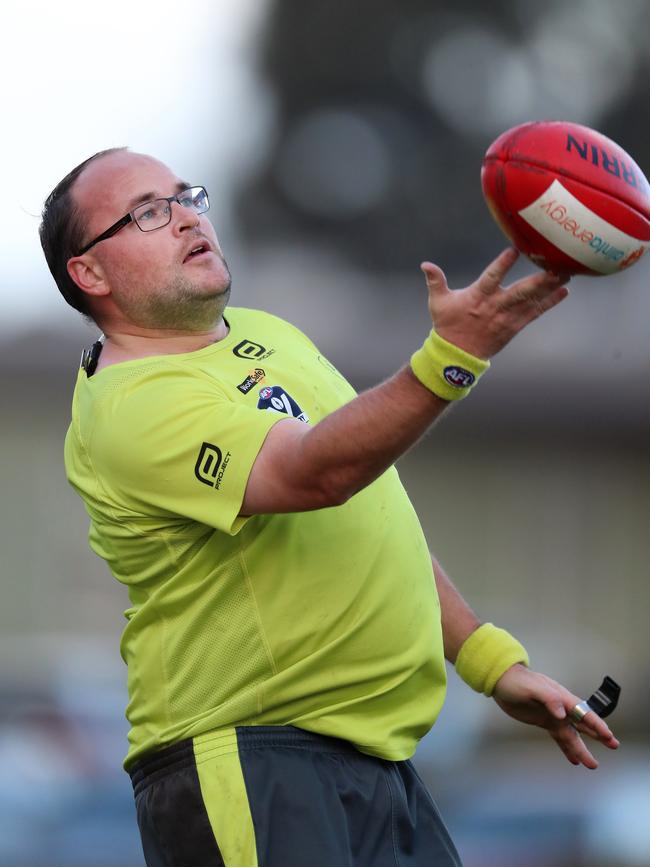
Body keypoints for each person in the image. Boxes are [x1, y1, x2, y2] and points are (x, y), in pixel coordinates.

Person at [40, 147, 619, 867]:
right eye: (148, 213)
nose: (188, 217)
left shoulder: (269, 336)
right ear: (90, 272)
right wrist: (451, 354)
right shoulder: (130, 404)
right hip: (250, 758)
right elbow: (320, 473)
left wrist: (488, 659)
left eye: (186, 196)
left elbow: (372, 509)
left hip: (378, 760)